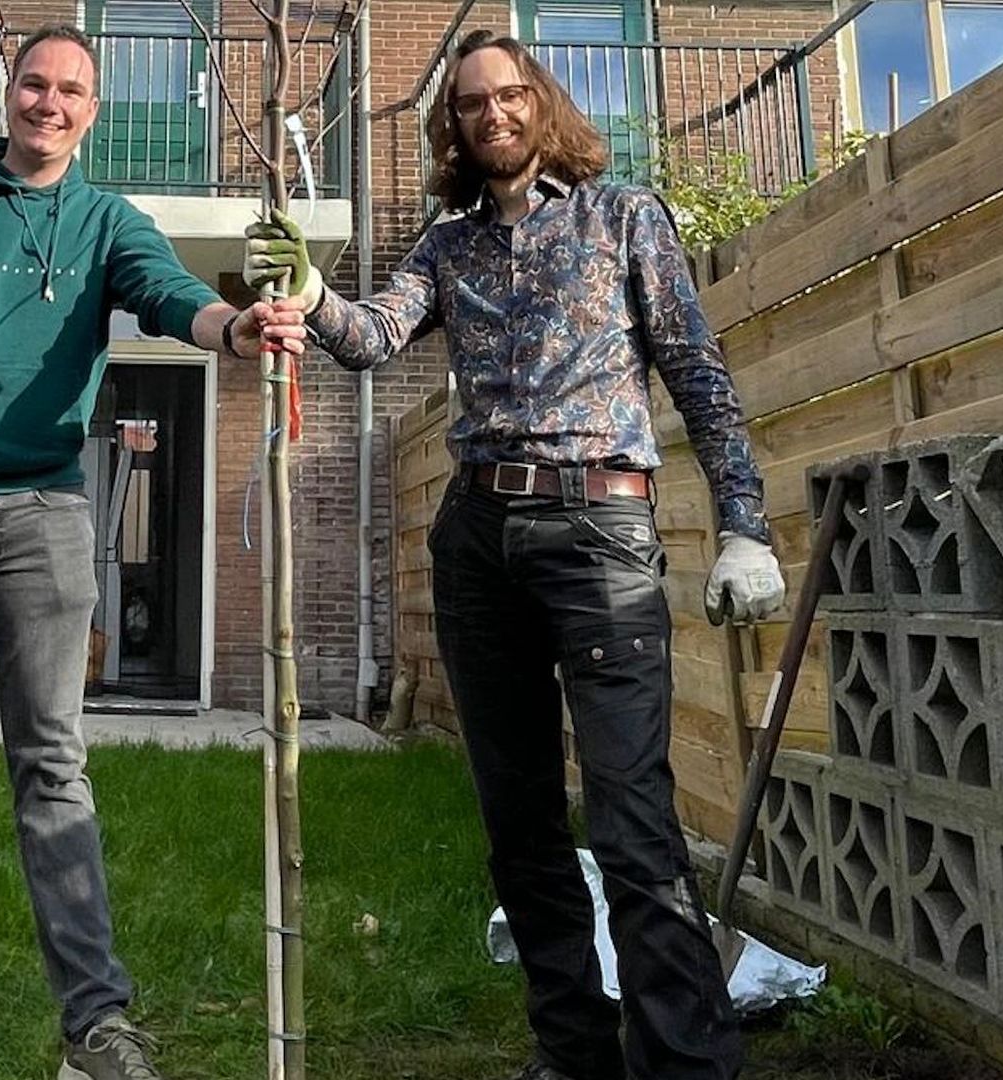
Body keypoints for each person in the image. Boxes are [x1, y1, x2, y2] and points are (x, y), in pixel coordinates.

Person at [245, 30, 783, 1080]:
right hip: (479, 543)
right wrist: (311, 295)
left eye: (508, 95)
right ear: (455, 125)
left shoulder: (623, 215)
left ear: (540, 105)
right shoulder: (446, 248)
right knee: (519, 819)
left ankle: (685, 1062)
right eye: (469, 103)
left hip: (600, 536)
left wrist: (746, 524)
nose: (490, 113)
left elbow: (697, 371)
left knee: (631, 819)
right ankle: (574, 1052)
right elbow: (372, 338)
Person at [0, 23, 305, 1080]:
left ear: (96, 108)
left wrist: (238, 327)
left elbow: (174, 297)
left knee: (55, 765)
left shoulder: (103, 221)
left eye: (73, 90)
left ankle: (95, 1022)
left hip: (42, 511)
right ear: (10, 89)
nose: (50, 104)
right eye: (35, 84)